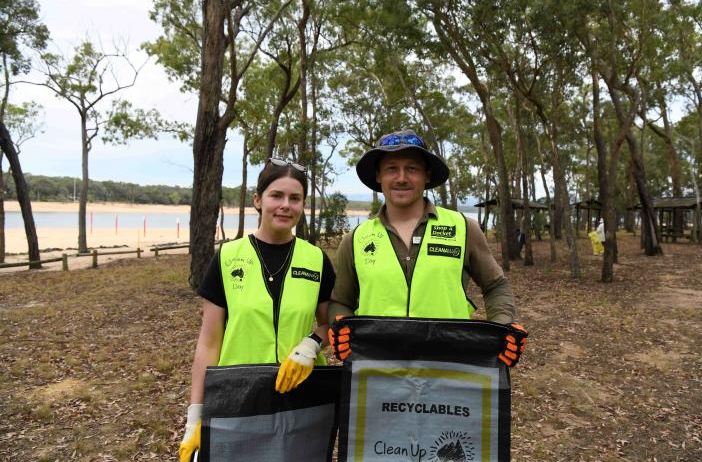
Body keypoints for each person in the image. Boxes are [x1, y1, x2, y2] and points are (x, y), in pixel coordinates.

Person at [179, 158, 336, 461]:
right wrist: (195, 417)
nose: (285, 205)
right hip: (238, 399)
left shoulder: (316, 260)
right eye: (276, 195)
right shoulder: (227, 257)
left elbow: (330, 324)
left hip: (302, 400)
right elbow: (209, 342)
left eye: (295, 198)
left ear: (303, 205)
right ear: (258, 200)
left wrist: (311, 345)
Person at [328, 128, 526, 367]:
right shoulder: (356, 239)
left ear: (427, 175)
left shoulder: (463, 229)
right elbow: (341, 300)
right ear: (379, 176)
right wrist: (342, 326)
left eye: (412, 168)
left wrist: (502, 327)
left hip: (448, 369)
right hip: (377, 372)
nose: (402, 177)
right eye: (392, 168)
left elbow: (496, 286)